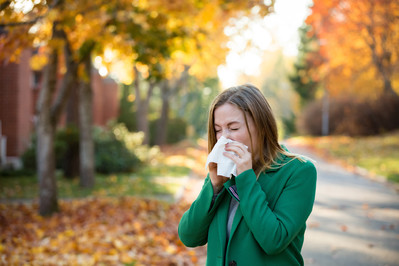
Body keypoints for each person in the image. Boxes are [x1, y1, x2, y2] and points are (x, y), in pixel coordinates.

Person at [178, 84, 317, 266]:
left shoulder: (298, 171)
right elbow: (189, 236)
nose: (223, 138)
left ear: (261, 126)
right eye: (218, 129)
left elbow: (274, 240)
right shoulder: (223, 171)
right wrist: (214, 186)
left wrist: (246, 177)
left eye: (233, 128)